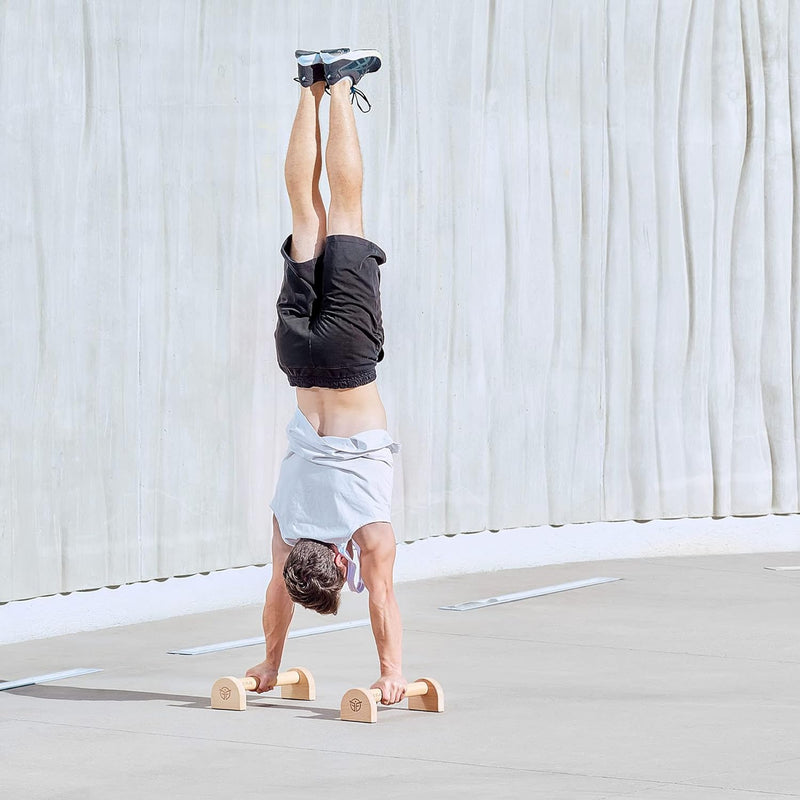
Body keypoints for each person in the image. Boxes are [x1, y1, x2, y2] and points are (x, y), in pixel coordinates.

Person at [245, 48, 407, 706]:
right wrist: (267, 660)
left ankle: (337, 83)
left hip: (345, 360)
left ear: (339, 563)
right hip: (298, 360)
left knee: (345, 208)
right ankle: (311, 85)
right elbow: (275, 594)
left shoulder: (366, 531)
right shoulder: (286, 519)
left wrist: (392, 672)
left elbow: (384, 601)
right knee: (304, 215)